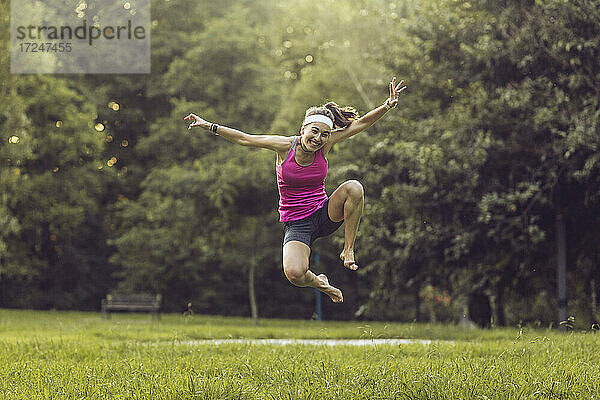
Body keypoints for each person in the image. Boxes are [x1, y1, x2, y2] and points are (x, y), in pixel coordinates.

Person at [184, 77, 406, 303]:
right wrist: (208, 125)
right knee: (295, 274)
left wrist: (387, 104)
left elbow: (360, 124)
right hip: (297, 223)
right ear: (304, 129)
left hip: (324, 213)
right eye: (314, 132)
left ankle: (348, 249)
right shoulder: (284, 146)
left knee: (354, 188)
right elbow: (244, 139)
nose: (318, 139)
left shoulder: (326, 145)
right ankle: (322, 284)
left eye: (324, 134)